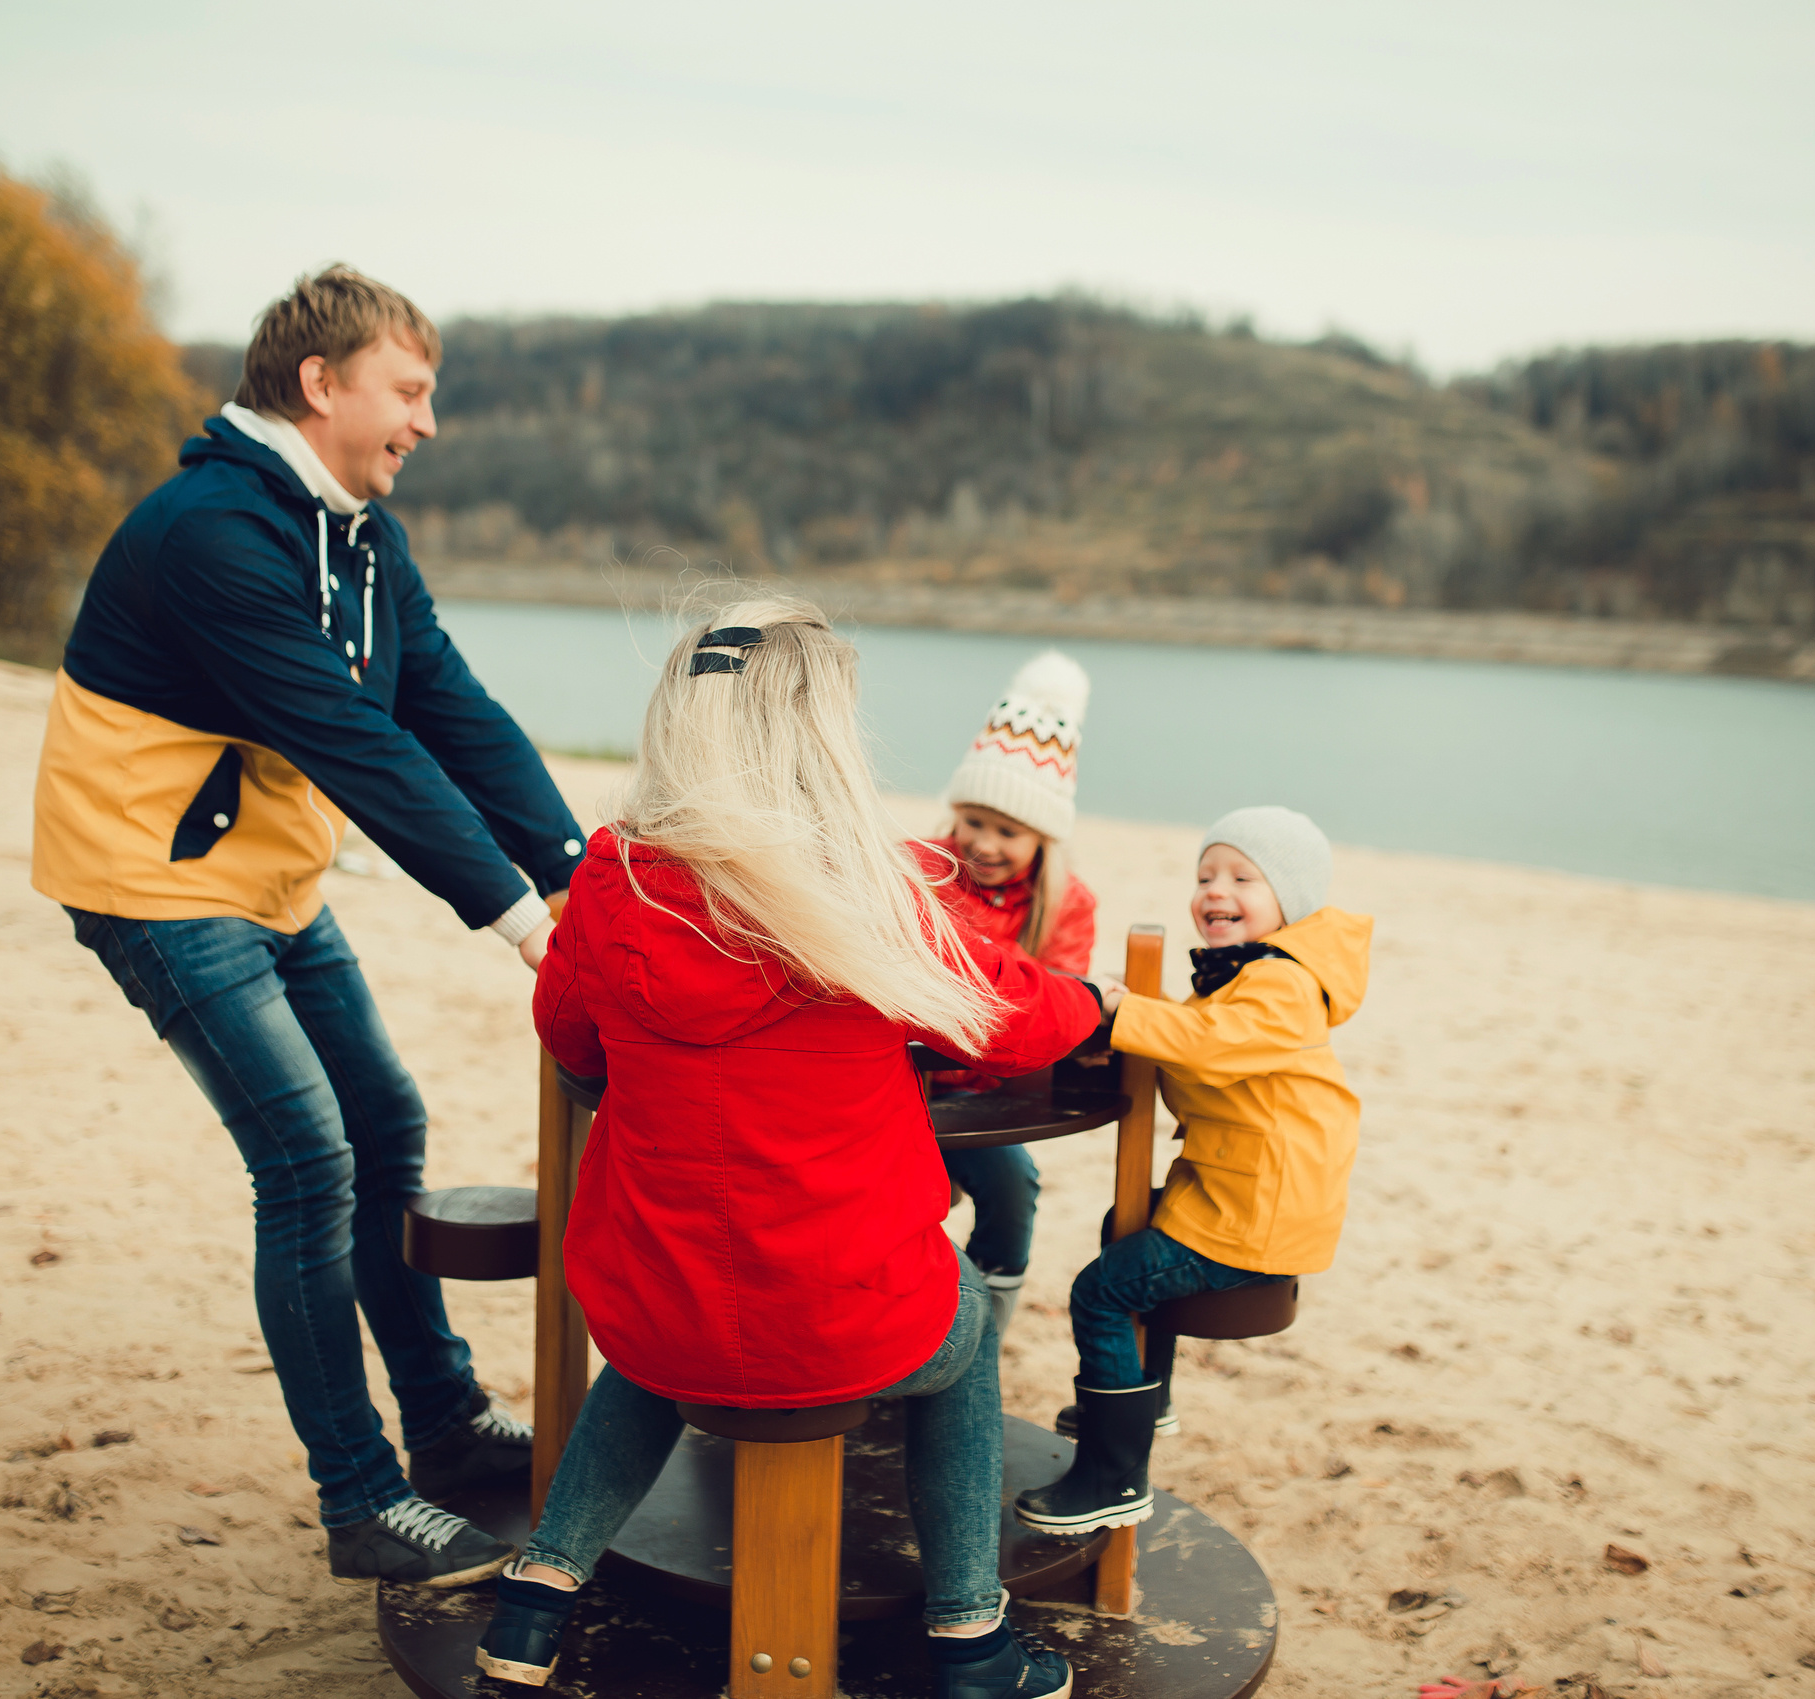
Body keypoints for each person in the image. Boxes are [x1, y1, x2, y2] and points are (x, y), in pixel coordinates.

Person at [33, 266, 584, 1589]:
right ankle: (360, 1493)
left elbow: (448, 703)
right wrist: (518, 916)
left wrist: (581, 866)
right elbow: (349, 739)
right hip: (154, 881)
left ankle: (447, 1430)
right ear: (318, 382)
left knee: (386, 1124)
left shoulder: (361, 534)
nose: (427, 422)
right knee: (310, 1153)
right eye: (409, 389)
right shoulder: (211, 533)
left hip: (265, 877)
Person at [477, 593, 1094, 1699]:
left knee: (659, 1342)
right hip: (851, 1316)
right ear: (822, 739)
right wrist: (1093, 1003)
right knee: (960, 1336)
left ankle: (534, 1600)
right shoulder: (866, 893)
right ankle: (971, 1639)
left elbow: (567, 1034)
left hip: (662, 1306)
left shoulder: (611, 881)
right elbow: (1014, 1020)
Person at [1015, 806, 1373, 1537]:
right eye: (1206, 874)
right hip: (1237, 1188)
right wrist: (1135, 1013)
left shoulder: (1282, 982)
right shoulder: (1250, 973)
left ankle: (1113, 1473)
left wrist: (1120, 1010)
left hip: (1255, 1209)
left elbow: (1213, 1044)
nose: (1217, 890)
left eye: (1244, 877)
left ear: (1289, 901)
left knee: (1103, 1289)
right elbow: (1198, 1040)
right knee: (1127, 1224)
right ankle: (1144, 1395)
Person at [918, 651, 1099, 1336]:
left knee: (1013, 1184)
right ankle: (911, 1315)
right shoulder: (924, 869)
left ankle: (984, 1326)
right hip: (908, 1082)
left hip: (985, 1091)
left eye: (1008, 830)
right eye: (974, 821)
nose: (984, 843)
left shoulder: (1065, 904)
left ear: (1042, 836)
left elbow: (1056, 1004)